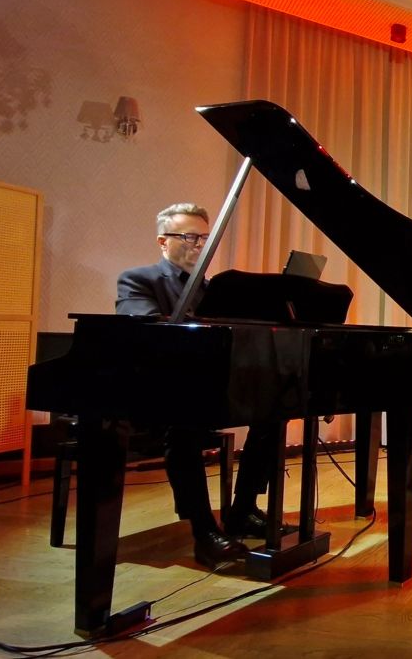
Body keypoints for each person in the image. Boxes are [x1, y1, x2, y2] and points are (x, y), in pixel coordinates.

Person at [117, 202, 289, 568]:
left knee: (273, 413)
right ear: (163, 241)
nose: (199, 245)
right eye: (189, 237)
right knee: (183, 425)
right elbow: (142, 333)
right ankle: (204, 531)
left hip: (205, 387)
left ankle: (243, 510)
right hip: (154, 392)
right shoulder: (139, 279)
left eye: (204, 238)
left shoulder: (212, 289)